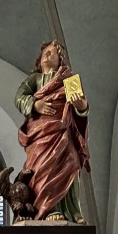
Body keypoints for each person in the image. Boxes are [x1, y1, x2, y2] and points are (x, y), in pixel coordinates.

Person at [15, 40, 90, 223]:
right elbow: (19, 97)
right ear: (39, 61)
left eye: (52, 53)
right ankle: (47, 209)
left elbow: (80, 110)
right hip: (40, 133)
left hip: (63, 130)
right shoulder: (34, 80)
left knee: (70, 162)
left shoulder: (69, 80)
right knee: (42, 166)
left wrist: (82, 106)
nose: (48, 55)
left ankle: (71, 210)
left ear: (60, 60)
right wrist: (35, 103)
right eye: (45, 53)